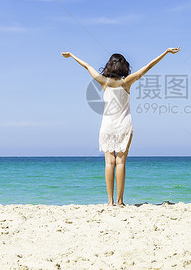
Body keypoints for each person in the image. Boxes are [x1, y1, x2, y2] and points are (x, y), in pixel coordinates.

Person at [62, 48, 180, 206]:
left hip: (107, 127)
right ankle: (120, 201)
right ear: (124, 66)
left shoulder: (103, 82)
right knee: (121, 163)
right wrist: (165, 53)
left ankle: (110, 202)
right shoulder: (127, 82)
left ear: (109, 66)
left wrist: (71, 55)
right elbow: (149, 66)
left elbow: (87, 66)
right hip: (124, 126)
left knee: (109, 163)